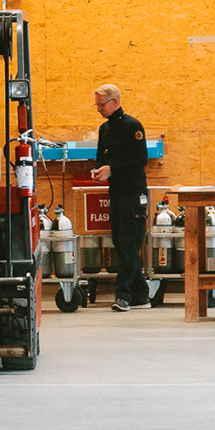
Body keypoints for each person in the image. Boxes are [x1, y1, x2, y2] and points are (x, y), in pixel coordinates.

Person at [92, 84, 152, 311]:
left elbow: (140, 160)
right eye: (96, 105)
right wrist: (98, 171)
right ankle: (142, 296)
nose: (98, 109)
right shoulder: (104, 129)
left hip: (133, 194)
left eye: (101, 105)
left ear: (115, 102)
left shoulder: (133, 126)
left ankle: (123, 296)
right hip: (116, 194)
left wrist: (111, 170)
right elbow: (100, 158)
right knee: (120, 243)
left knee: (128, 245)